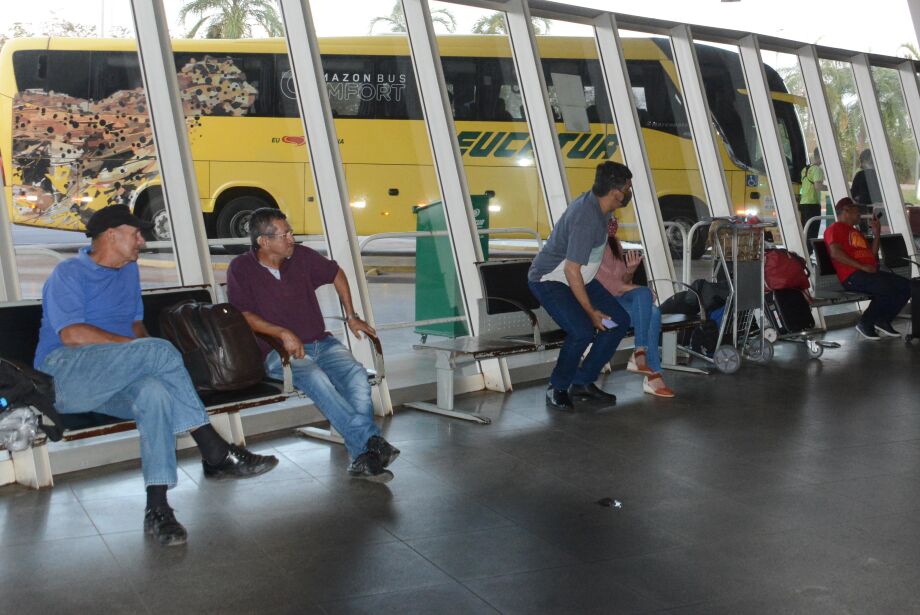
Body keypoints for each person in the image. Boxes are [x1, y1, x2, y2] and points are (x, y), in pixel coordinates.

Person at [34, 205, 279, 548]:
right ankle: (213, 448)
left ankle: (158, 508)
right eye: (135, 234)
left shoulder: (128, 271)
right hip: (66, 376)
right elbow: (72, 334)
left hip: (116, 375)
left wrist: (147, 356)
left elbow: (136, 325)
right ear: (110, 235)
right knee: (158, 351)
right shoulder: (69, 273)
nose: (142, 241)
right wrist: (145, 352)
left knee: (155, 393)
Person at [226, 208, 399, 482]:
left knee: (356, 376)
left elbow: (336, 273)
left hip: (322, 343)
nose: (291, 239)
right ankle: (371, 441)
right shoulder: (241, 268)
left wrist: (351, 316)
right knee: (316, 377)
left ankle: (364, 457)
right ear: (264, 241)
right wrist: (282, 333)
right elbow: (243, 315)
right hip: (279, 353)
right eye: (285, 235)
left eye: (291, 232)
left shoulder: (302, 257)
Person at [527, 161, 632, 411]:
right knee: (582, 331)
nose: (630, 192)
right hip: (552, 280)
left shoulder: (601, 206)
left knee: (617, 322)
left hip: (580, 280)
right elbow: (571, 270)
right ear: (616, 193)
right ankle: (557, 387)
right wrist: (591, 311)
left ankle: (582, 381)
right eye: (628, 188)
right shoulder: (586, 218)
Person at [595, 217, 674, 398]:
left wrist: (630, 271)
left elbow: (623, 282)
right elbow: (606, 286)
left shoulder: (613, 242)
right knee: (653, 312)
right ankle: (651, 373)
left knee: (650, 307)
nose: (613, 221)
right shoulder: (591, 247)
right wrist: (639, 289)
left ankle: (639, 353)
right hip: (601, 310)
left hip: (618, 300)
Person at [824, 197, 910, 340]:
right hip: (852, 275)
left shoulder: (856, 232)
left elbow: (872, 255)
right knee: (885, 288)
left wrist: (877, 234)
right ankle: (865, 323)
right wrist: (862, 267)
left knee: (907, 286)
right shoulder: (834, 229)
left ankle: (883, 320)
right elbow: (835, 253)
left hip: (868, 272)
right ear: (846, 211)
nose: (860, 213)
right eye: (856, 210)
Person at [799, 148, 826, 251]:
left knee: (805, 230)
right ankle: (809, 252)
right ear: (820, 156)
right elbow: (818, 187)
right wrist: (831, 188)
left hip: (803, 203)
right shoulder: (817, 170)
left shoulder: (805, 169)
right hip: (813, 204)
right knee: (813, 232)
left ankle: (805, 253)